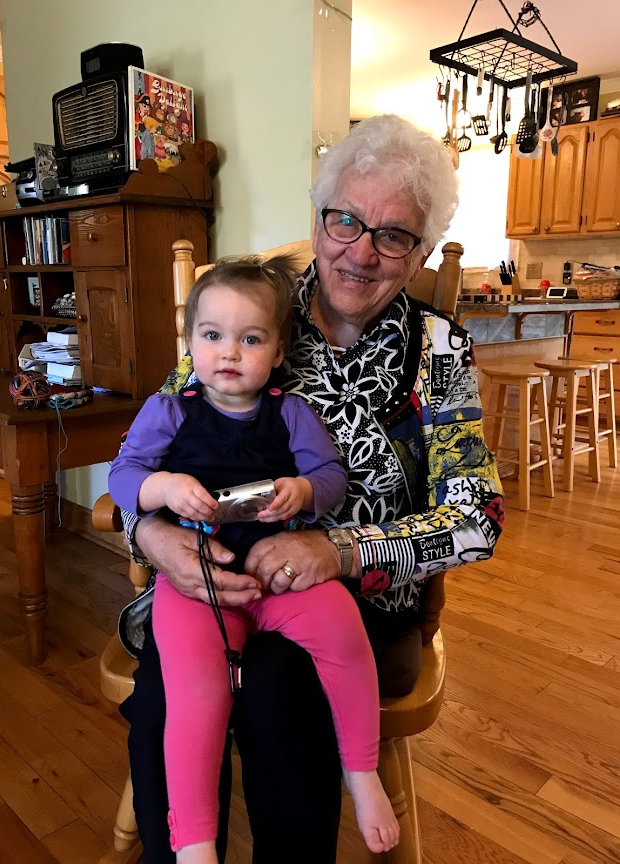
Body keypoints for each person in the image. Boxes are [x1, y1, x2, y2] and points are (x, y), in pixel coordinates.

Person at [119, 114, 504, 864]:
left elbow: (477, 519)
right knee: (168, 691)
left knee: (280, 686)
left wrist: (341, 550)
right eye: (344, 220)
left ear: (421, 252)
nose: (360, 251)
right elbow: (147, 450)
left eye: (394, 235)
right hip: (211, 576)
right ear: (319, 217)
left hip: (352, 604)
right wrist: (152, 535)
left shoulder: (439, 351)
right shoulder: (245, 316)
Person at [109, 256, 400, 863]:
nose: (229, 353)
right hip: (197, 585)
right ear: (190, 342)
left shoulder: (289, 412)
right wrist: (163, 489)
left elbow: (330, 477)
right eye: (212, 335)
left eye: (250, 339)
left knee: (344, 632)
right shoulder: (170, 409)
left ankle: (362, 770)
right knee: (195, 695)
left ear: (277, 350)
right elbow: (124, 475)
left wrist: (303, 490)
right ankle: (194, 843)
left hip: (279, 577)